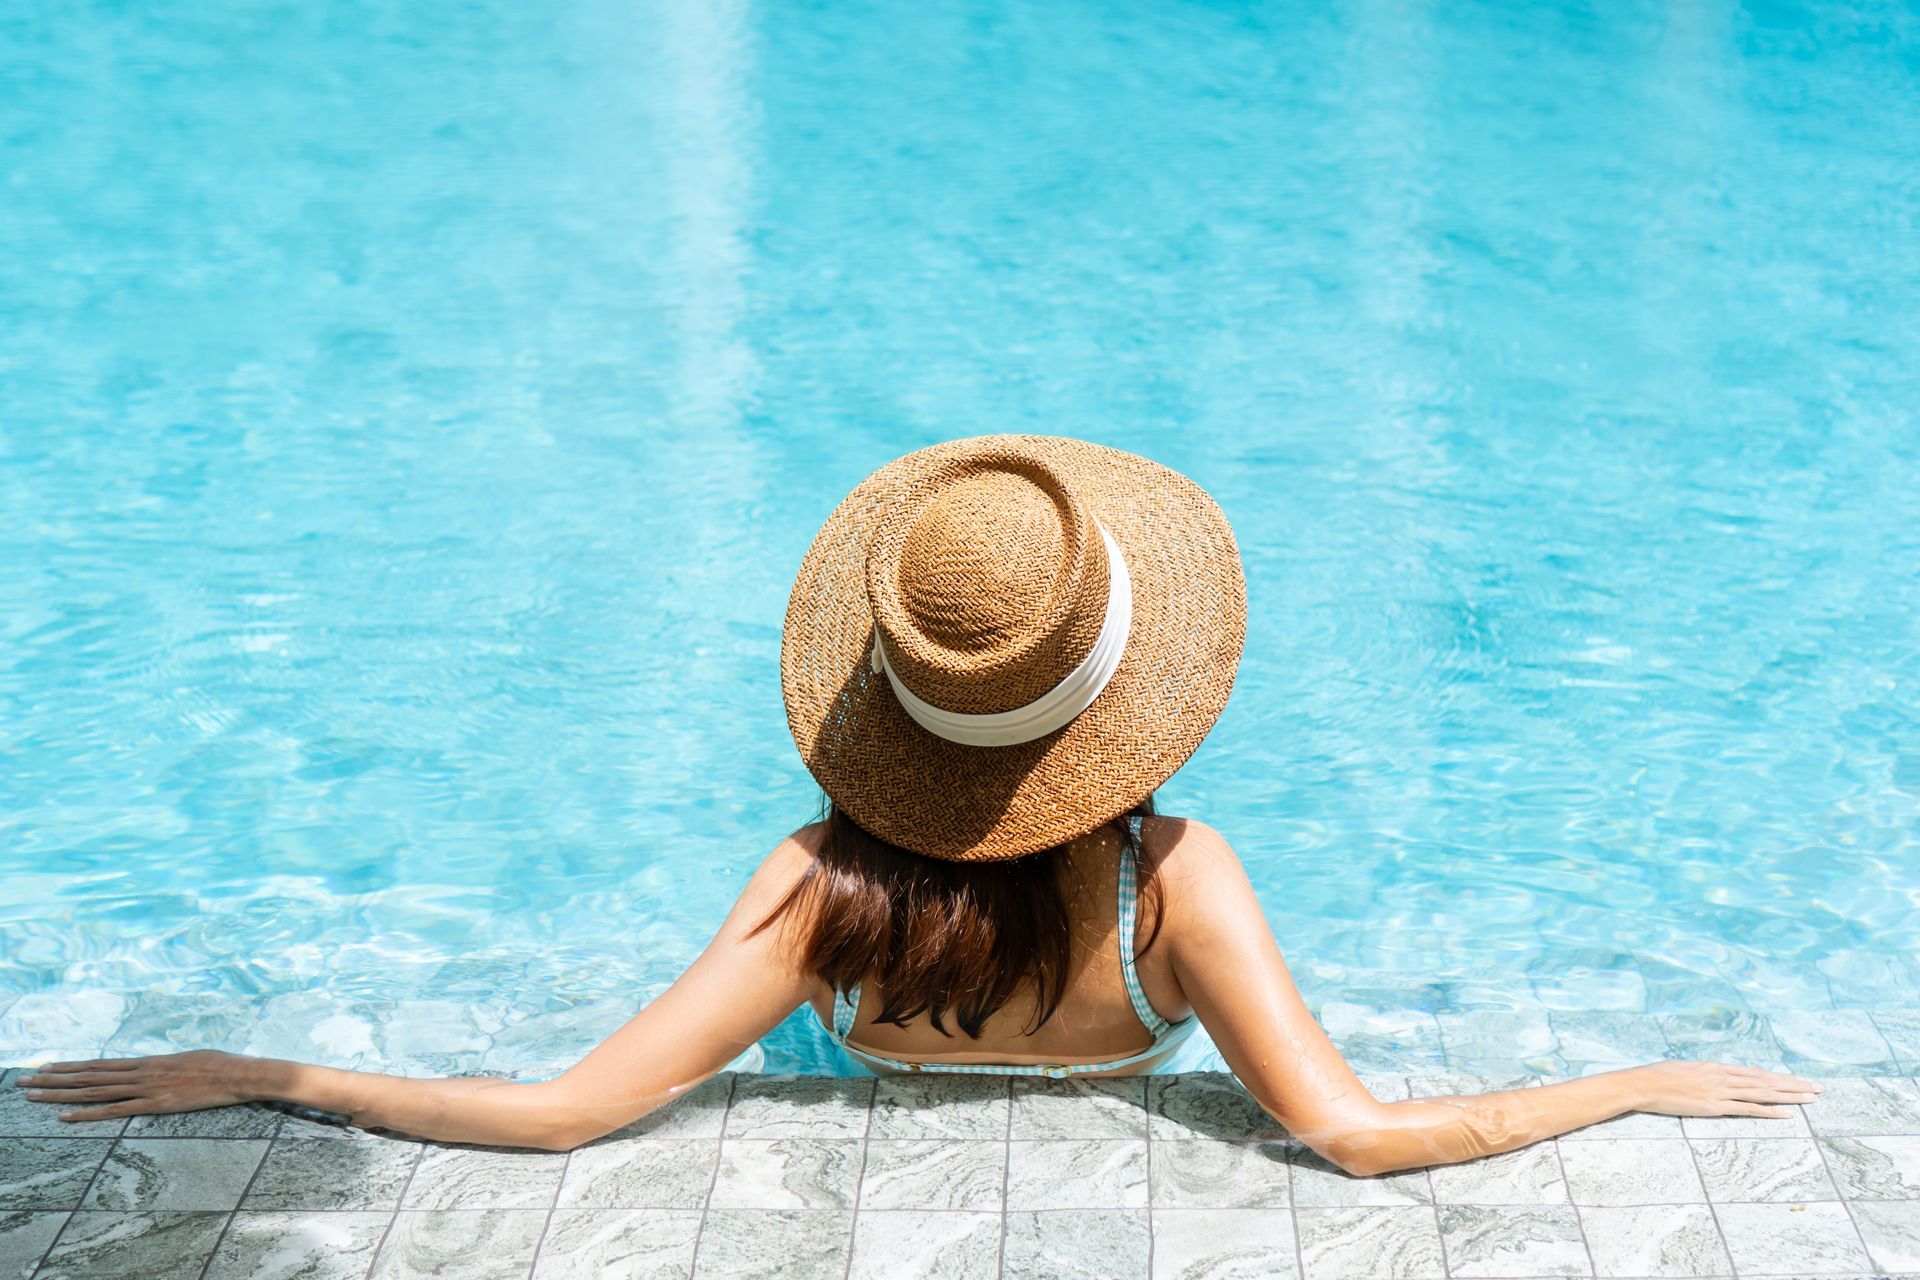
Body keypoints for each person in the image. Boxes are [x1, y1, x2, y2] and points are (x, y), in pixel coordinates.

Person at [16, 436, 1820, 1174]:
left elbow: (569, 1116)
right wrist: (1635, 1079)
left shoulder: (816, 890)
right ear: (1122, 692)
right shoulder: (1174, 884)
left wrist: (270, 1071)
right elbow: (1349, 1139)